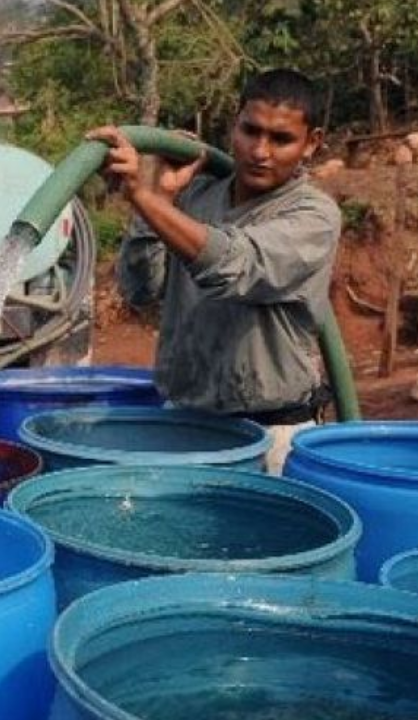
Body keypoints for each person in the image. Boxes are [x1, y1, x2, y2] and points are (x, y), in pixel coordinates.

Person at [88, 68, 340, 475]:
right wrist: (159, 198)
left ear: (311, 143)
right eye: (250, 131)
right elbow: (141, 289)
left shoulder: (314, 215)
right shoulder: (197, 196)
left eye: (281, 139)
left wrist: (143, 197)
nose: (260, 151)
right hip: (183, 424)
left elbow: (234, 265)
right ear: (233, 125)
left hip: (270, 435)